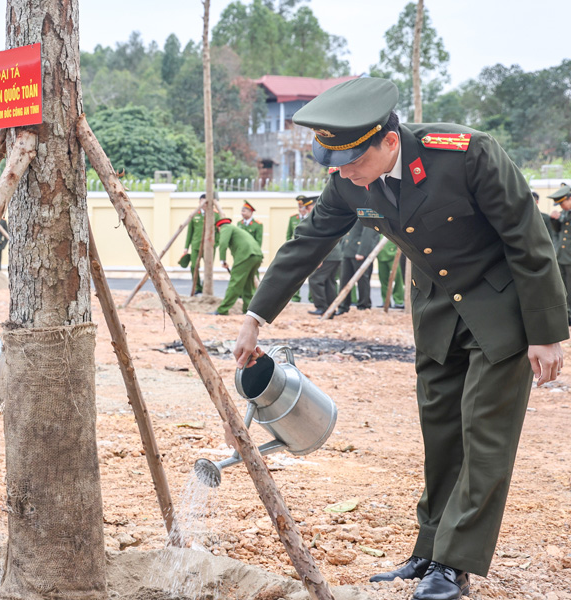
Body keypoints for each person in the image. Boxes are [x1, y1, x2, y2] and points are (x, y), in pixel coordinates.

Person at [231, 77, 566, 600]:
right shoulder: (347, 179)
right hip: (436, 312)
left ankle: (453, 566)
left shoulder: (467, 155)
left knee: (485, 438)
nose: (343, 176)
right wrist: (256, 316)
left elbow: (528, 237)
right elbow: (308, 242)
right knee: (440, 435)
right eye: (335, 166)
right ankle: (429, 550)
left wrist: (546, 333)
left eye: (352, 163)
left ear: (389, 142)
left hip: (501, 309)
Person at [211, 217, 262, 315]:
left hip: (246, 256)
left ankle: (223, 310)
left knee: (235, 283)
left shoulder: (225, 227)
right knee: (248, 284)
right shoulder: (237, 230)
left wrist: (223, 260)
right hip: (257, 255)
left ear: (219, 227)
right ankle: (248, 310)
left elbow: (223, 243)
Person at [301, 196, 341, 317]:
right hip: (334, 254)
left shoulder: (318, 218)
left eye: (308, 207)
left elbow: (321, 241)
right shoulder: (326, 216)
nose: (307, 210)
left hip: (328, 254)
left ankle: (322, 307)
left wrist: (319, 258)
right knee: (329, 282)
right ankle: (331, 310)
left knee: (315, 279)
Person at [336, 220, 379, 314]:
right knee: (344, 280)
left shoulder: (365, 210)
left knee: (363, 281)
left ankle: (363, 305)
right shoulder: (351, 211)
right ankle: (343, 305)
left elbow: (368, 233)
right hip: (347, 250)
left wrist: (362, 251)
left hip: (359, 252)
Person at [181, 194, 220, 295]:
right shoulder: (195, 214)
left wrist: (216, 244)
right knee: (194, 266)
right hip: (196, 246)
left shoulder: (215, 215)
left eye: (206, 202)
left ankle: (206, 289)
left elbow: (220, 231)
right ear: (199, 202)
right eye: (202, 202)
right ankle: (198, 286)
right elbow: (190, 232)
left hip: (210, 247)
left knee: (208, 269)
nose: (204, 205)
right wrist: (186, 247)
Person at [546, 183, 571, 325]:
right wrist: (554, 219)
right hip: (562, 256)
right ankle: (566, 314)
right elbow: (557, 232)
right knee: (563, 288)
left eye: (563, 203)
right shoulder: (565, 214)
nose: (561, 206)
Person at [287, 196, 310, 302]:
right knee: (294, 274)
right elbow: (288, 235)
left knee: (312, 274)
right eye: (299, 206)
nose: (301, 208)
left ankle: (313, 298)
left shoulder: (311, 216)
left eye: (303, 206)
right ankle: (295, 297)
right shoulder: (293, 218)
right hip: (296, 250)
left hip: (309, 249)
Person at [377, 236, 405, 309]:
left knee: (398, 278)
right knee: (383, 280)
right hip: (380, 255)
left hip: (394, 255)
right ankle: (386, 301)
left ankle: (399, 301)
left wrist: (395, 251)